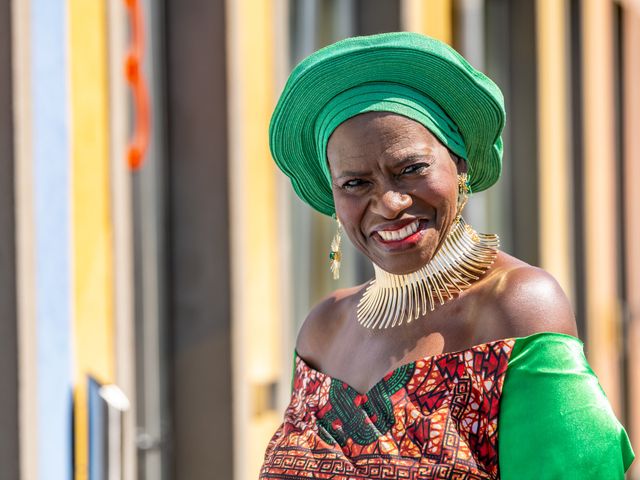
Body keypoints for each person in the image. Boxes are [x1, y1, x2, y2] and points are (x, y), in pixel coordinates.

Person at [260, 32, 634, 479]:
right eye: (355, 183)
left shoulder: (513, 305)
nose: (390, 203)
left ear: (460, 165)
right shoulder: (324, 327)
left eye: (411, 169)